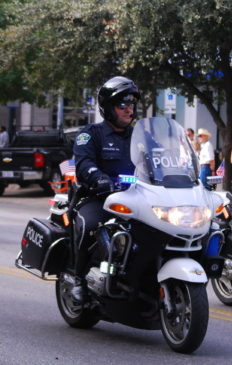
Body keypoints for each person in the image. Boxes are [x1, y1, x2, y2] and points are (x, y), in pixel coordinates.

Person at [71, 76, 140, 302]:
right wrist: (99, 178)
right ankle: (78, 278)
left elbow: (159, 160)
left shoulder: (141, 136)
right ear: (108, 108)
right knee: (90, 225)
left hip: (137, 200)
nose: (128, 110)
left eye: (131, 104)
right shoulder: (90, 134)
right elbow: (83, 164)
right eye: (122, 105)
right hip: (99, 198)